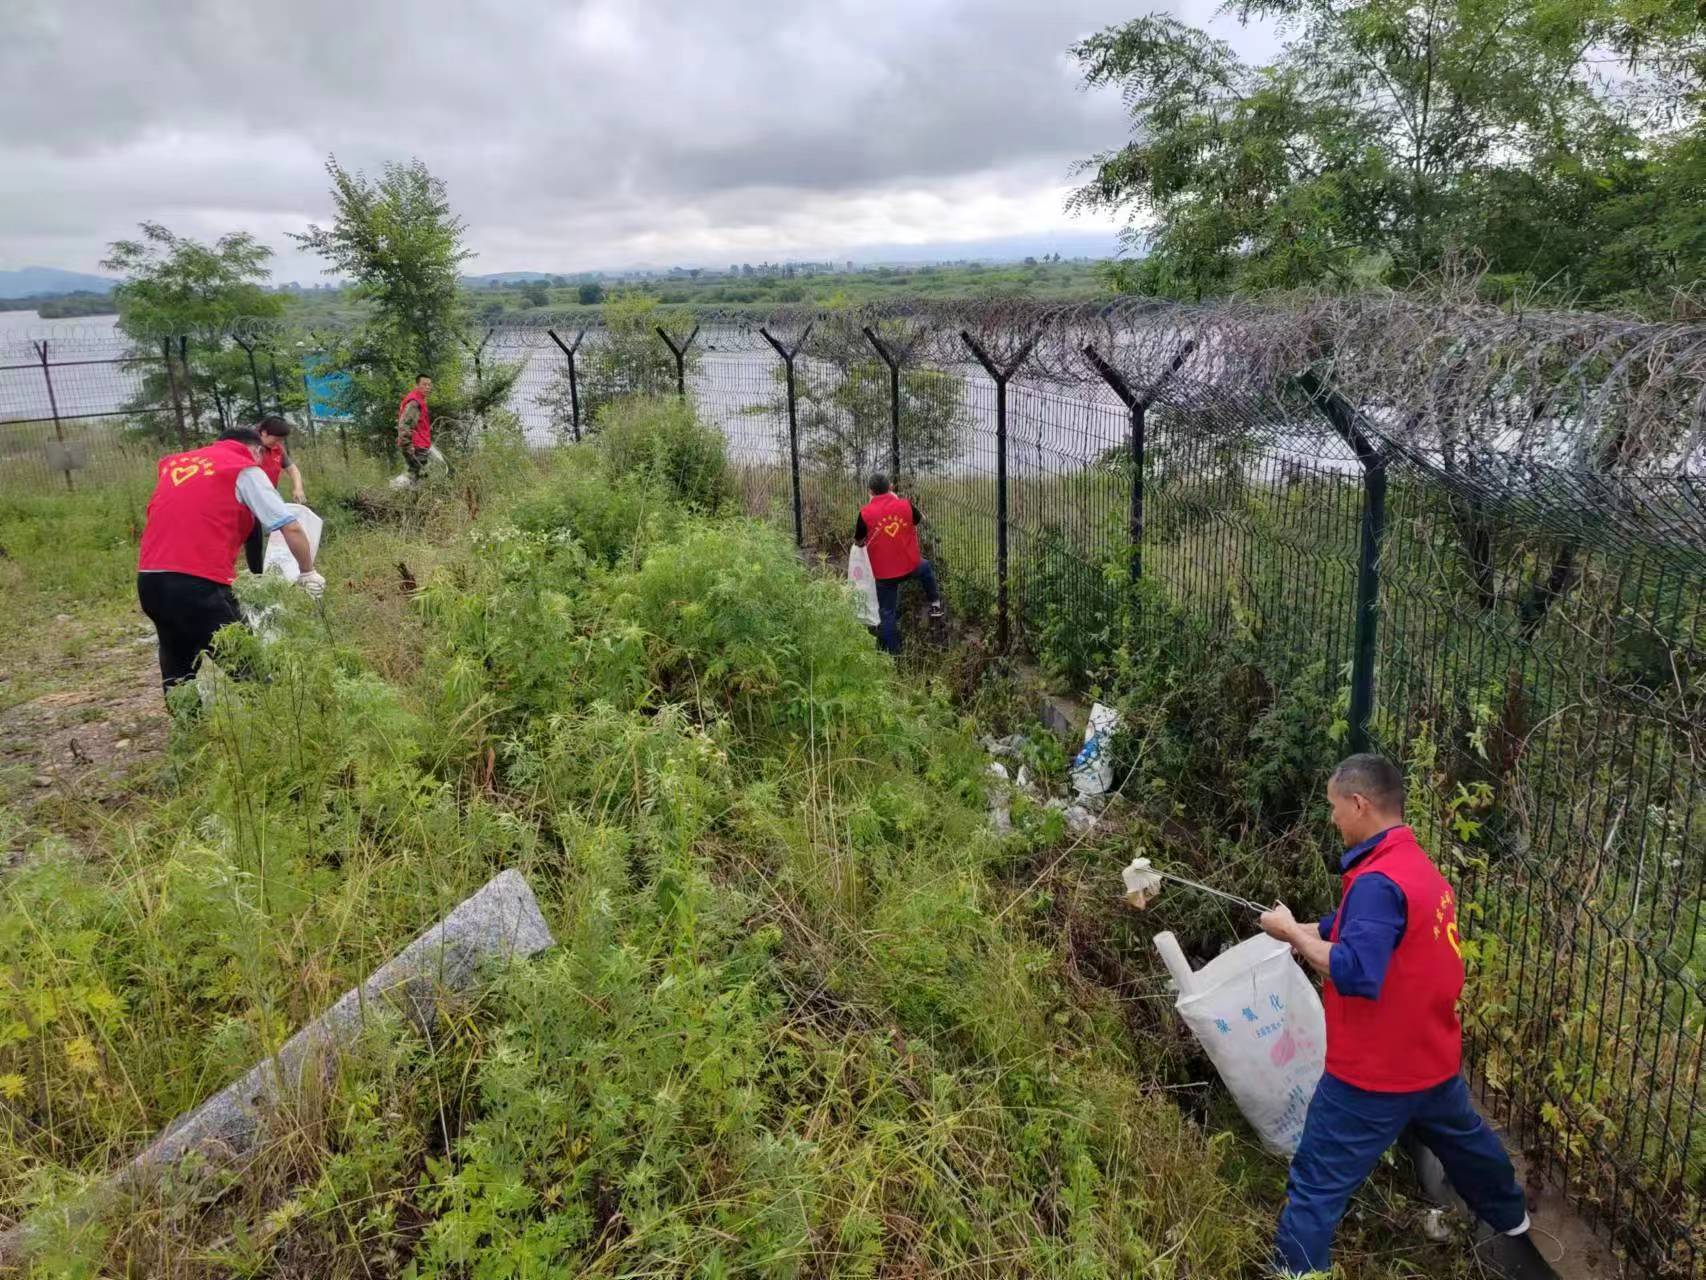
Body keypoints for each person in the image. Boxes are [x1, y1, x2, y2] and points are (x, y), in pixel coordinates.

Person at [1259, 755, 1554, 1279]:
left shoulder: (1375, 881)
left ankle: (1296, 1272)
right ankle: (1514, 1225)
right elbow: (1363, 926)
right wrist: (1305, 927)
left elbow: (1355, 969)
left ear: (1358, 804)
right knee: (1469, 1149)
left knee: (1317, 1184)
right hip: (1431, 1061)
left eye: (1334, 807)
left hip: (1371, 1076)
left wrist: (1293, 936)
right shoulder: (1413, 865)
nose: (1332, 819)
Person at [137, 427, 325, 697]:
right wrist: (308, 572)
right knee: (249, 670)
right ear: (256, 450)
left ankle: (188, 721)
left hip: (150, 580)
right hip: (198, 583)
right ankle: (269, 715)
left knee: (178, 670)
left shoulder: (177, 464)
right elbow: (290, 527)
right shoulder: (243, 468)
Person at [854, 473, 943, 655]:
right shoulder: (905, 504)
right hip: (910, 566)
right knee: (926, 567)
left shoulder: (865, 514)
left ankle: (894, 656)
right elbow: (921, 519)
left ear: (870, 491)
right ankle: (935, 603)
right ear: (891, 487)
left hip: (884, 575)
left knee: (887, 613)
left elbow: (858, 541)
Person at [243, 416, 305, 575]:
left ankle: (280, 568)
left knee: (283, 528)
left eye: (281, 440)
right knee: (253, 537)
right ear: (263, 433)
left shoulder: (277, 449)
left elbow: (292, 469)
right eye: (276, 439)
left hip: (268, 499)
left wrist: (298, 488)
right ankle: (256, 575)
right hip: (248, 501)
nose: (279, 443)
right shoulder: (248, 448)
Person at [396, 373, 434, 480]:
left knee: (417, 475)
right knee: (416, 477)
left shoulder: (420, 400)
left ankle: (402, 488)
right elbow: (404, 424)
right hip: (416, 446)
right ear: (417, 385)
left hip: (420, 444)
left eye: (429, 385)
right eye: (424, 384)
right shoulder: (414, 402)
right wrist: (408, 445)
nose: (428, 387)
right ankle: (398, 487)